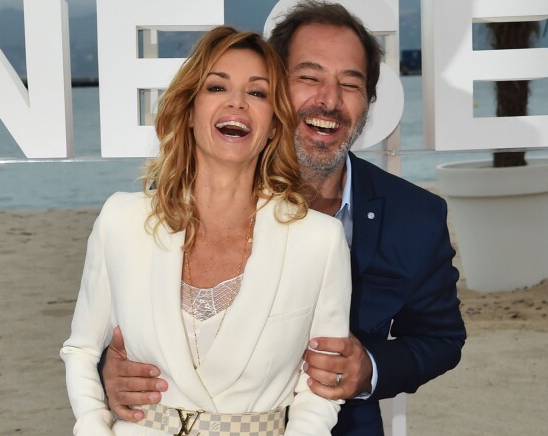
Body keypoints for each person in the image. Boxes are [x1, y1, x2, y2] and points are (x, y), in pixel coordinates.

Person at [100, 0, 467, 436]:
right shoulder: (181, 203)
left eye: (350, 84)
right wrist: (111, 369)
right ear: (273, 89)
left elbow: (440, 339)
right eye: (308, 78)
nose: (328, 100)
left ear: (368, 101)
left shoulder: (416, 217)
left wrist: (367, 369)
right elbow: (115, 322)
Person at [61, 26, 352, 436]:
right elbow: (81, 349)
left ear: (273, 125)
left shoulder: (318, 240)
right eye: (217, 87)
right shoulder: (120, 221)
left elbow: (321, 384)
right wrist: (93, 428)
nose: (237, 102)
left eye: (257, 93)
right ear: (189, 111)